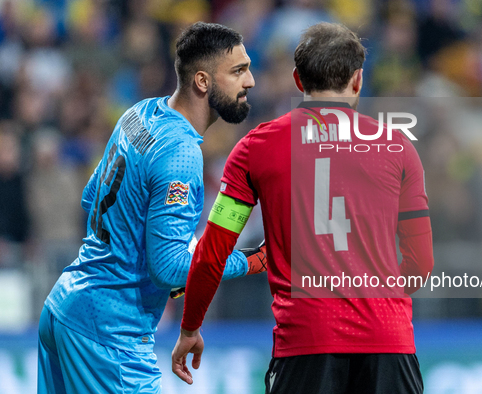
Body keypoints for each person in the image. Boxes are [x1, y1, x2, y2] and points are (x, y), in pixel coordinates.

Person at [172, 22, 434, 393]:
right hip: (388, 342)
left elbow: (213, 252)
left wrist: (190, 327)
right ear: (358, 80)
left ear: (298, 80)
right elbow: (421, 262)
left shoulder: (254, 148)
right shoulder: (398, 147)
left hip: (305, 343)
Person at [38, 22, 266, 394]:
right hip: (109, 334)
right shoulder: (182, 153)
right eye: (239, 71)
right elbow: (169, 268)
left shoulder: (140, 113)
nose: (251, 81)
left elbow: (90, 194)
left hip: (65, 307)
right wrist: (252, 260)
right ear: (203, 81)